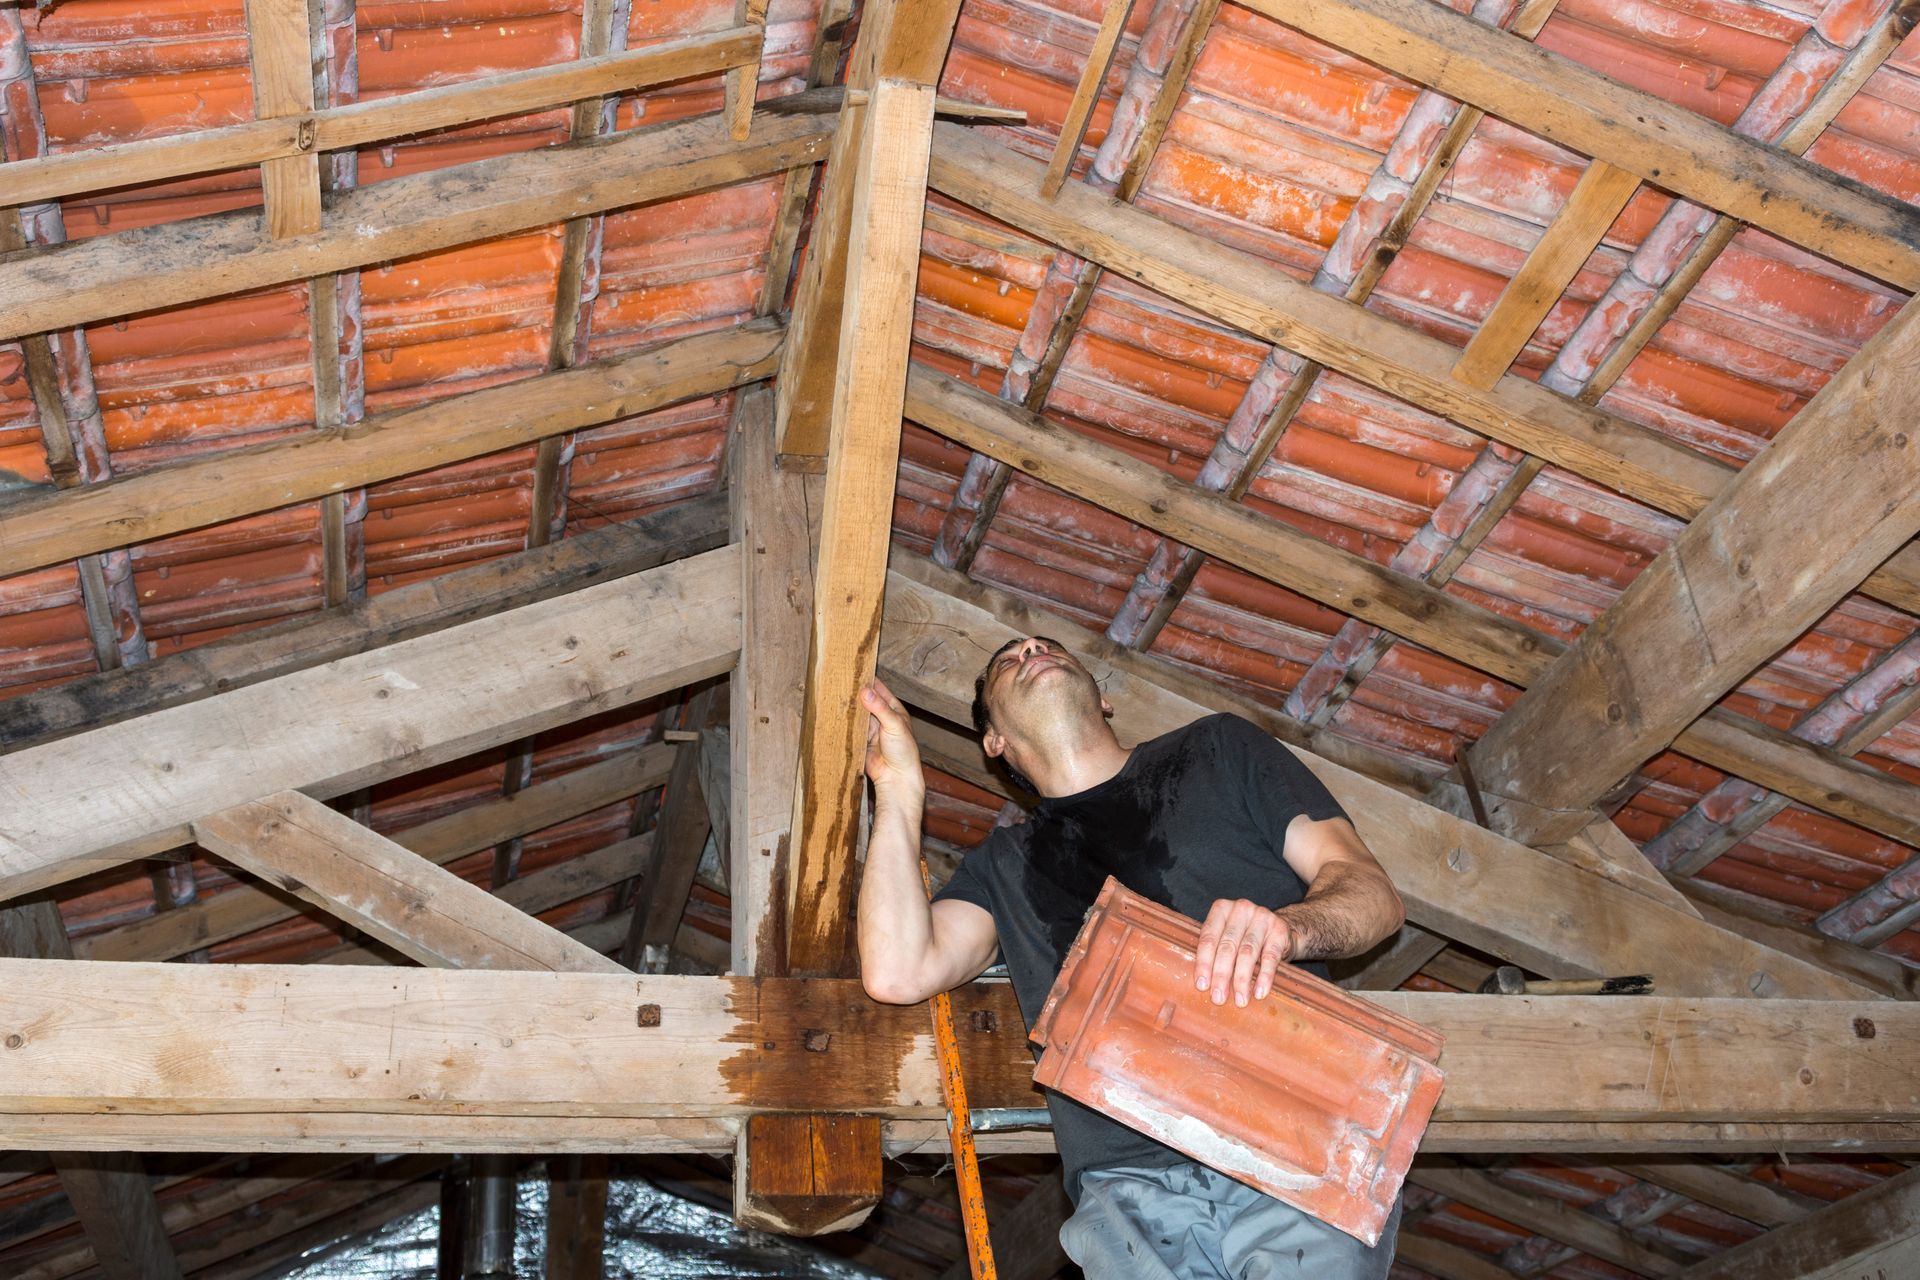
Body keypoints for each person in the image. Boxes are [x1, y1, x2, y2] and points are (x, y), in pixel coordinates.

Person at [856, 635, 1408, 1280]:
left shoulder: (1218, 751)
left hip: (1303, 1140)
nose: (1031, 646)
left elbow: (1372, 895)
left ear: (1106, 700)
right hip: (1126, 1190)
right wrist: (897, 791)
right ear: (993, 743)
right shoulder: (1001, 866)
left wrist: (1289, 931)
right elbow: (898, 971)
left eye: (1047, 644)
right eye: (1006, 659)